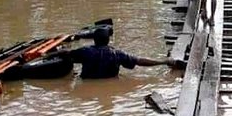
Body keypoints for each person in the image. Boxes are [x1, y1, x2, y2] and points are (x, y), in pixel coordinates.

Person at [49, 28, 183, 79]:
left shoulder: (85, 52)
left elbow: (67, 54)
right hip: (109, 80)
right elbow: (140, 61)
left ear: (94, 40)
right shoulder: (117, 54)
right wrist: (164, 61)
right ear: (108, 40)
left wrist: (48, 54)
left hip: (87, 81)